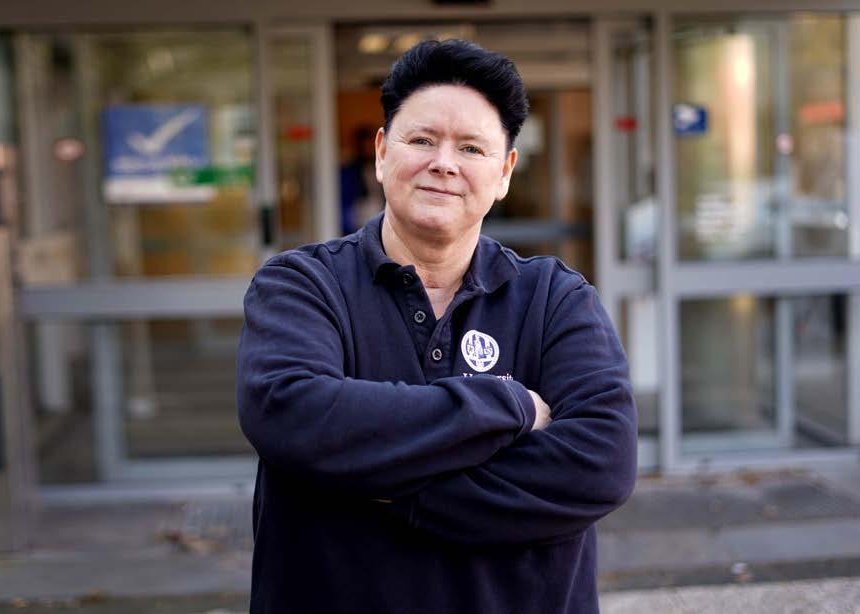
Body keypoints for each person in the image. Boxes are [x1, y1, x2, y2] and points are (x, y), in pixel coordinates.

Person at [237, 39, 637, 614]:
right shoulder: (301, 285)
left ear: (504, 172)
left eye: (471, 147)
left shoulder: (556, 299)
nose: (444, 163)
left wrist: (386, 490)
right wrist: (509, 406)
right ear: (381, 153)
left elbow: (602, 464)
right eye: (422, 140)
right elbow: (290, 414)